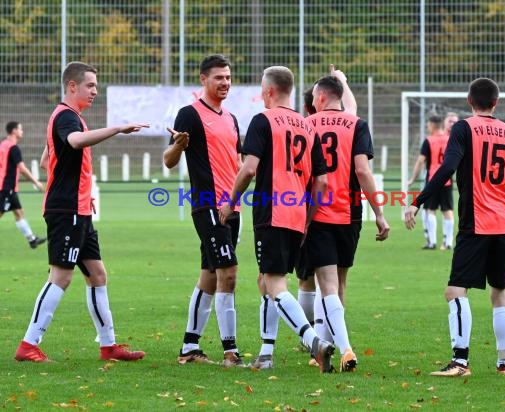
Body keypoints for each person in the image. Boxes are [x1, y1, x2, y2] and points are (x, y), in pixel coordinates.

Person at [14, 61, 148, 362]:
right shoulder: (66, 116)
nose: (95, 92)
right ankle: (28, 345)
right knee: (61, 276)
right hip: (67, 210)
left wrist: (83, 193)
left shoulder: (72, 117)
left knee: (97, 275)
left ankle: (108, 345)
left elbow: (49, 158)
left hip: (78, 207)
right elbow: (73, 143)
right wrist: (116, 128)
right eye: (90, 86)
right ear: (72, 86)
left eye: (96, 87)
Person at [405, 78, 505, 376]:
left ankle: (460, 361)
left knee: (455, 290)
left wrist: (417, 201)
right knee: (500, 291)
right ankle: (503, 364)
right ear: (496, 102)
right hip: (503, 225)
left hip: (476, 223)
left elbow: (446, 168)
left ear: (469, 101)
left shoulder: (463, 128)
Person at [219, 65, 335, 374]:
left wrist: (229, 203)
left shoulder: (263, 121)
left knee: (274, 282)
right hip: (297, 213)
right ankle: (266, 353)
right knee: (266, 280)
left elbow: (248, 169)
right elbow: (321, 181)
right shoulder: (307, 125)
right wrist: (308, 218)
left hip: (271, 211)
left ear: (269, 91)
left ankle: (315, 342)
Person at [163, 54, 245, 367]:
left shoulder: (232, 118)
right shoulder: (190, 114)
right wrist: (179, 145)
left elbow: (238, 165)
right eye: (218, 78)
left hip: (232, 207)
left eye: (228, 77)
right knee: (229, 273)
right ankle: (230, 352)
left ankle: (189, 347)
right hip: (209, 205)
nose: (225, 83)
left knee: (210, 275)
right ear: (203, 80)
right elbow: (168, 161)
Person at [305, 75, 390, 372]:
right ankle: (325, 352)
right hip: (350, 213)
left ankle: (344, 348)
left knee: (325, 285)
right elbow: (363, 171)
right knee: (339, 285)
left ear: (322, 97)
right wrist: (378, 213)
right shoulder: (357, 124)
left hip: (317, 214)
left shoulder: (308, 123)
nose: (314, 101)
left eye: (315, 96)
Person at [408, 114, 454, 250]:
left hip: (433, 180)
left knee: (429, 210)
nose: (427, 127)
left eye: (428, 124)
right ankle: (448, 242)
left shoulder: (429, 140)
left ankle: (432, 242)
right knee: (448, 210)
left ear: (433, 125)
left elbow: (420, 161)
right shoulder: (449, 139)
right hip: (447, 180)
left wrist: (413, 179)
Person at [0, 121, 46, 248]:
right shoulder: (13, 148)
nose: (22, 131)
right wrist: (36, 182)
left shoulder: (3, 145)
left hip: (8, 187)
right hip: (6, 187)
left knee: (19, 213)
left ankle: (32, 239)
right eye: (20, 129)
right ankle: (32, 239)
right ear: (14, 131)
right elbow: (22, 168)